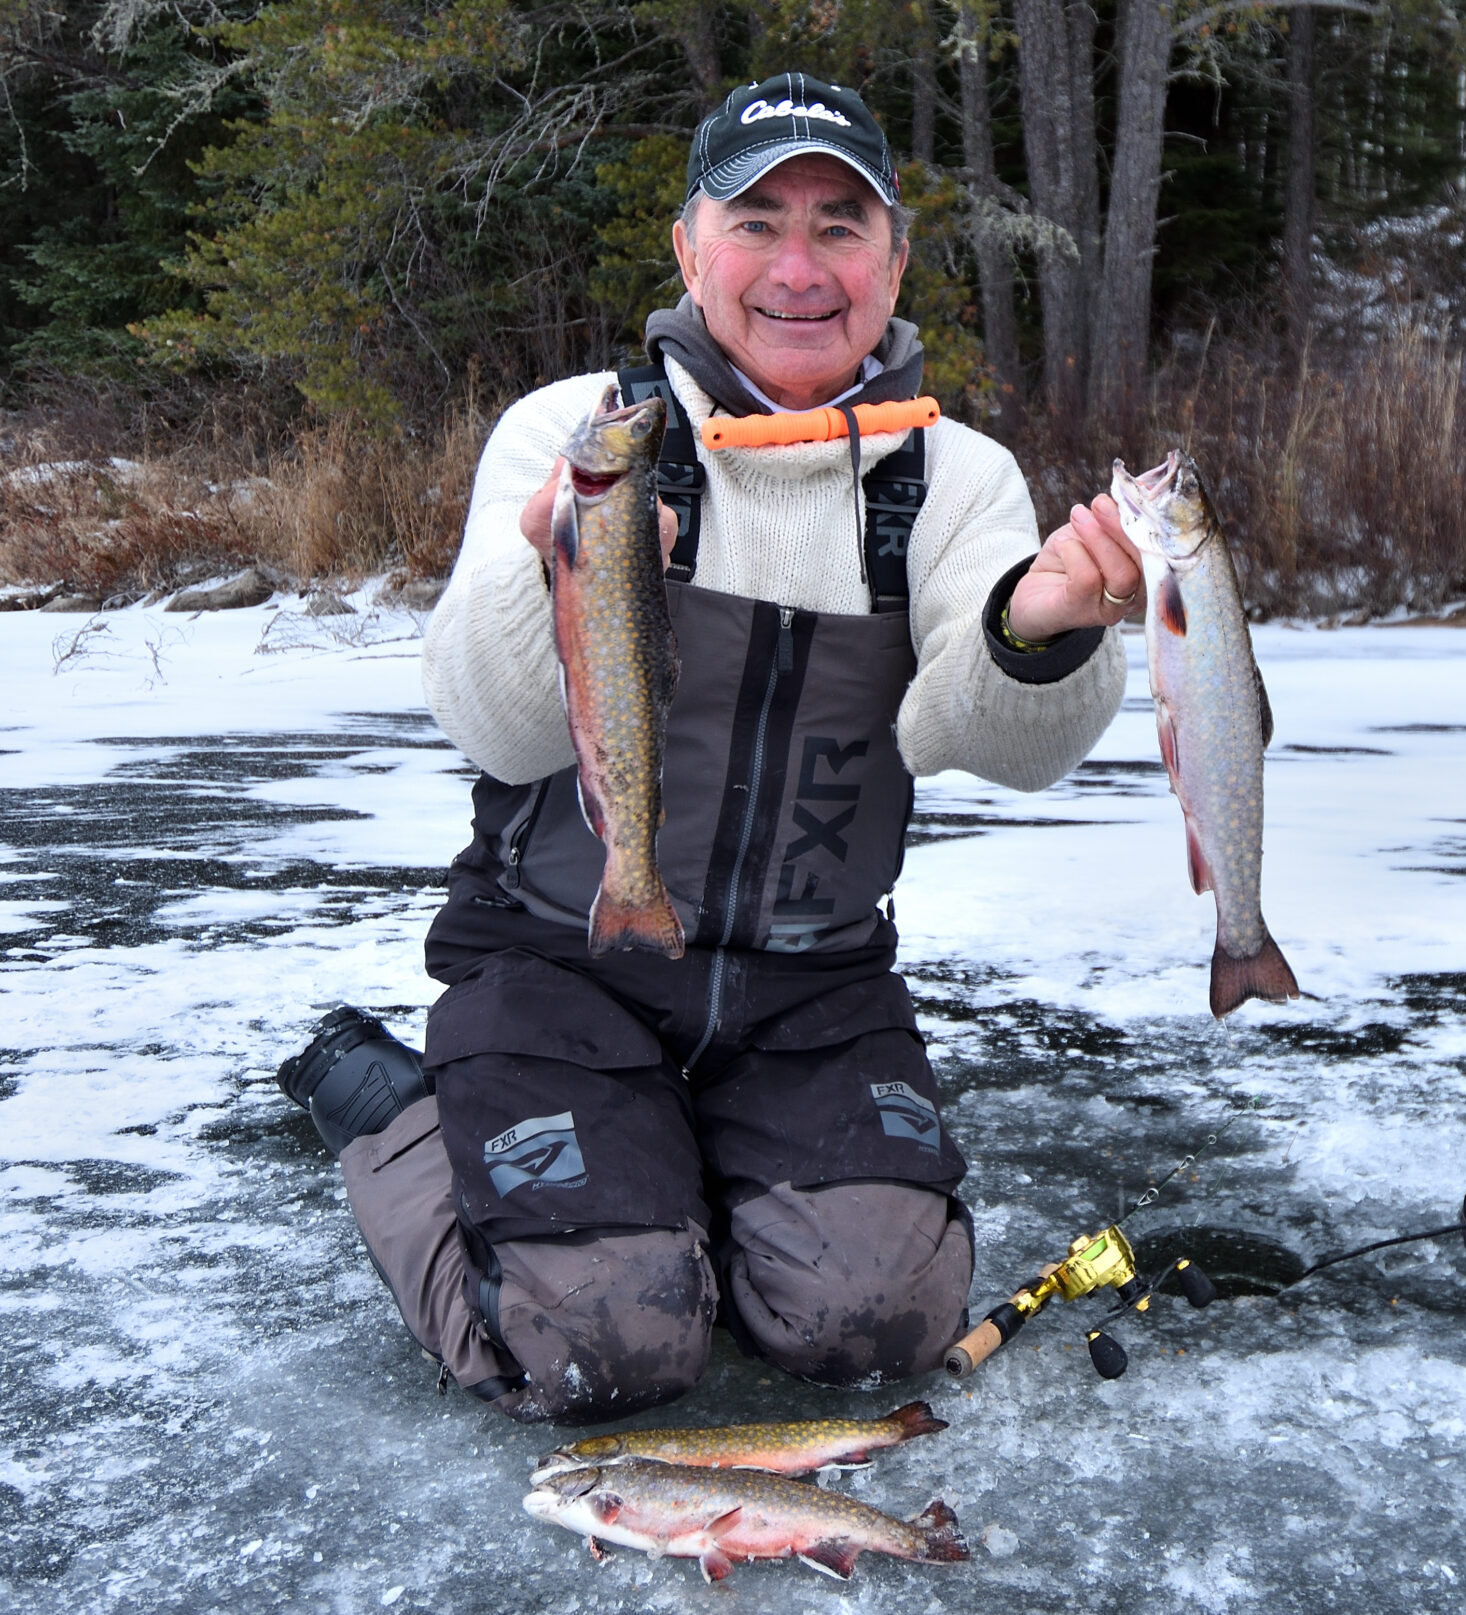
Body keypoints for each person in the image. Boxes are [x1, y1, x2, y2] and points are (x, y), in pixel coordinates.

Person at [277, 72, 1145, 1424]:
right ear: (689, 247)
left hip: (813, 987)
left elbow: (986, 740)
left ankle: (671, 1179)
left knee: (878, 1323)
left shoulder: (956, 478)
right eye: (756, 221)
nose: (799, 266)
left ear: (895, 258)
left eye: (840, 225)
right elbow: (491, 725)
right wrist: (550, 565)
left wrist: (1039, 630)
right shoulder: (578, 433)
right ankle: (398, 1115)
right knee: (597, 1345)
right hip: (560, 961)